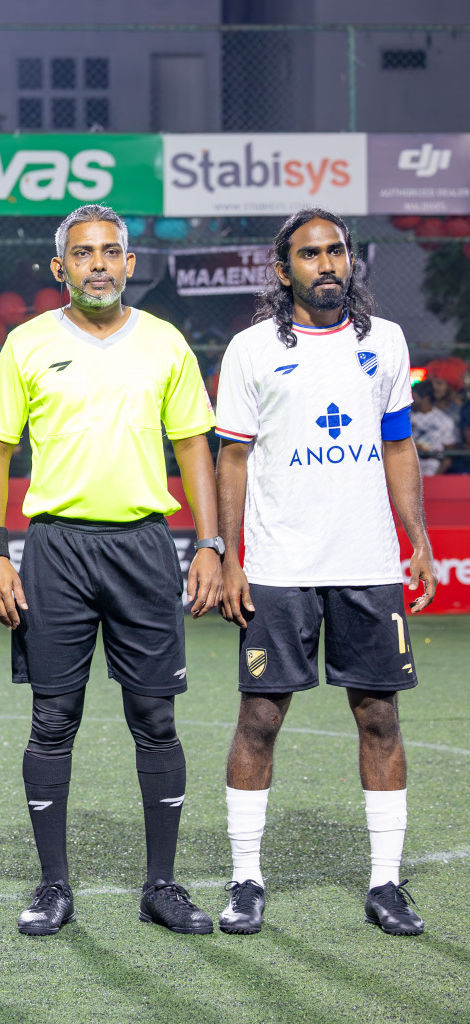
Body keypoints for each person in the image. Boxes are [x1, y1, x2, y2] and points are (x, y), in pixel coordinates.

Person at [0, 203, 222, 937]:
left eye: (111, 251)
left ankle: (162, 885)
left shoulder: (166, 344)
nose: (99, 265)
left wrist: (209, 544)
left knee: (155, 717)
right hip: (55, 549)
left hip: (145, 547)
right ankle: (53, 886)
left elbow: (193, 449)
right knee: (53, 719)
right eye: (83, 254)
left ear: (130, 264)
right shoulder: (27, 344)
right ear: (61, 269)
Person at [214, 208, 434, 937]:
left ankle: (385, 884)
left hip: (367, 562)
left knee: (379, 716)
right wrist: (232, 555)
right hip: (279, 564)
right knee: (261, 717)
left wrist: (419, 539)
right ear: (284, 271)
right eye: (310, 254)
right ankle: (246, 878)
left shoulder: (388, 343)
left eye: (336, 250)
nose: (327, 263)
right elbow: (233, 458)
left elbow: (399, 445)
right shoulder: (249, 350)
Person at [409, 381, 454, 476]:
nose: (411, 400)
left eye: (415, 397)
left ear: (425, 398)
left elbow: (449, 454)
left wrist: (437, 477)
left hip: (433, 470)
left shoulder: (445, 421)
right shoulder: (406, 418)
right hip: (409, 470)